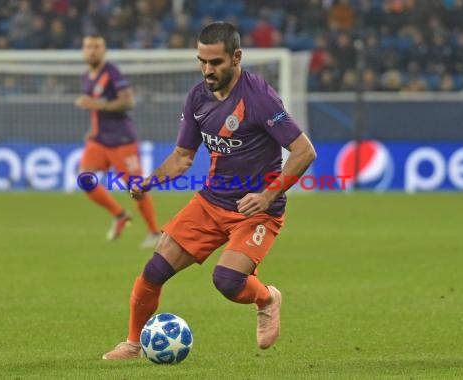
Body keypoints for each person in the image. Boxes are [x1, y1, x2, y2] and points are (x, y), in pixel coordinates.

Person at [102, 22, 316, 360]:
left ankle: (267, 298)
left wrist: (268, 196)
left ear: (236, 57)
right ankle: (132, 345)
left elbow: (304, 151)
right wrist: (150, 181)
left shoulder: (258, 97)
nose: (207, 70)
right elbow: (183, 157)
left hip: (256, 210)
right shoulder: (198, 97)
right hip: (211, 202)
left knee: (228, 281)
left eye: (215, 62)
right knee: (153, 272)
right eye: (201, 61)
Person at [75, 34, 160, 248]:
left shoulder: (112, 73)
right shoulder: (87, 76)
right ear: (84, 51)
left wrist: (96, 103)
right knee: (84, 179)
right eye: (88, 47)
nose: (92, 51)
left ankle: (154, 233)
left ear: (104, 50)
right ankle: (120, 214)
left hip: (122, 140)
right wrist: (92, 129)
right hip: (99, 140)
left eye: (96, 47)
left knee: (136, 189)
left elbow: (128, 102)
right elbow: (96, 110)